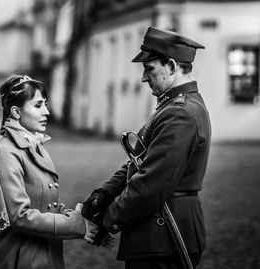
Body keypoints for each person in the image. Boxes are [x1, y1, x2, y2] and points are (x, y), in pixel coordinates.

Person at [82, 26, 211, 268]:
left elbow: (151, 184)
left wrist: (107, 221)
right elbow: (139, 161)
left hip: (166, 236)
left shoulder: (180, 114)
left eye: (149, 69)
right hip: (157, 234)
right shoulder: (172, 107)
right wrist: (105, 193)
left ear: (172, 66)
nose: (143, 78)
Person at [0, 75, 98, 269]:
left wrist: (78, 220)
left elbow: (44, 205)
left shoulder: (34, 144)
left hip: (44, 252)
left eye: (46, 104)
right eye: (38, 105)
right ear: (16, 112)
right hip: (20, 255)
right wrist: (75, 226)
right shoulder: (7, 151)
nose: (47, 112)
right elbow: (20, 216)